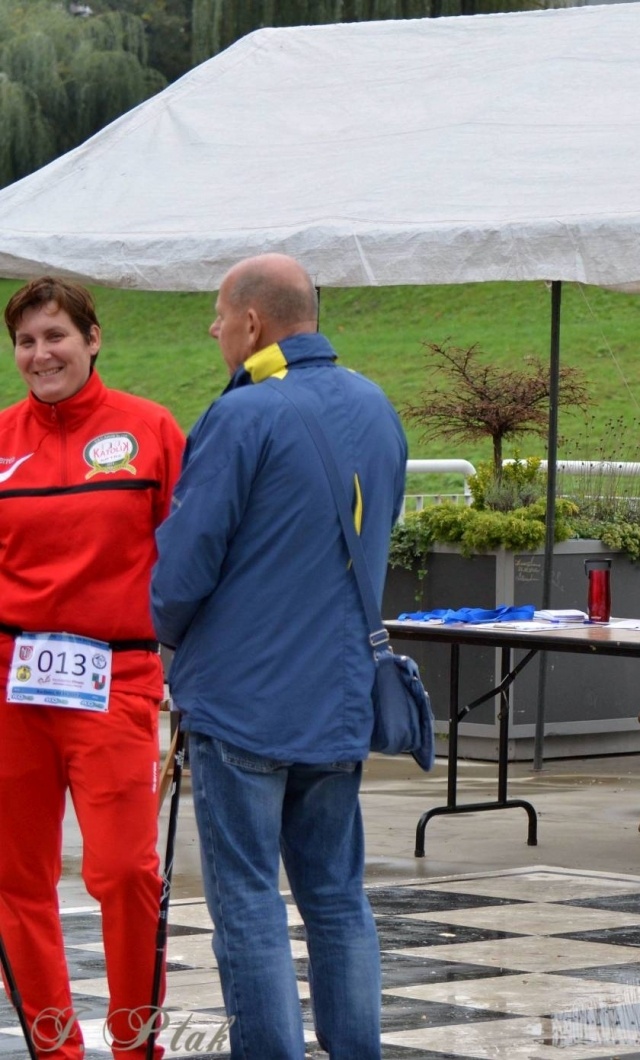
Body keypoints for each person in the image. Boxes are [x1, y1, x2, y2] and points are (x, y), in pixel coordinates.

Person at [151, 254, 409, 1055]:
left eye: (220, 318)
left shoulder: (243, 415)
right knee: (336, 898)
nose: (215, 331)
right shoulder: (376, 406)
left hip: (244, 702)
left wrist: (159, 631)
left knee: (250, 902)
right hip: (338, 697)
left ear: (254, 322)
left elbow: (184, 570)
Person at [0, 278, 184, 1059]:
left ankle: (133, 1044)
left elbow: (193, 556)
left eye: (55, 337)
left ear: (93, 338)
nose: (41, 355)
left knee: (123, 874)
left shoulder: (150, 431)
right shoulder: (2, 436)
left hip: (116, 683)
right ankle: (54, 1047)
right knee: (16, 883)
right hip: (11, 690)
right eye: (26, 342)